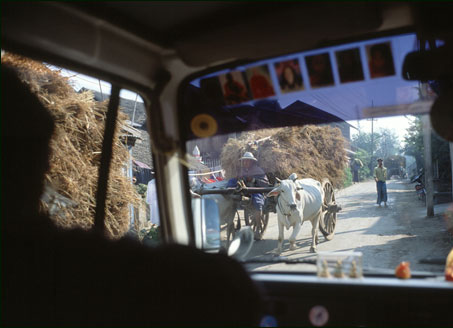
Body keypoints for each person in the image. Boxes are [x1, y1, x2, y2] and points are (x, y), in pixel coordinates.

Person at [1, 64, 262, 326]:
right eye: (42, 156)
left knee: (257, 198)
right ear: (26, 163)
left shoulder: (39, 260)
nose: (48, 167)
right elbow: (220, 288)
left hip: (248, 190)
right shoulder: (61, 261)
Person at [227, 152, 269, 240]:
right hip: (244, 191)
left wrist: (253, 179)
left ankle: (258, 227)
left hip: (256, 191)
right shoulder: (242, 171)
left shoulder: (258, 170)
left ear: (252, 162)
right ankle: (227, 191)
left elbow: (265, 183)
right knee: (231, 181)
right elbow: (237, 179)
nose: (245, 163)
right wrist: (236, 180)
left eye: (247, 161)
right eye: (244, 161)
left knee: (257, 202)